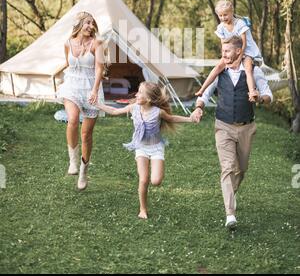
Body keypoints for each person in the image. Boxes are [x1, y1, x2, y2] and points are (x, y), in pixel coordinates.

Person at [191, 35, 272, 229]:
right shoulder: (219, 71)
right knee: (227, 167)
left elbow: (269, 95)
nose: (223, 54)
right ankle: (230, 214)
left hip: (246, 127)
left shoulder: (254, 71)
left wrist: (259, 98)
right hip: (223, 126)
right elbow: (206, 93)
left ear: (238, 51)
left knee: (241, 169)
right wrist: (199, 107)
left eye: (227, 51)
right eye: (222, 51)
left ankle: (230, 194)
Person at [94, 81, 200, 219]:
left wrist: (190, 119)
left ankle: (152, 183)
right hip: (141, 147)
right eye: (137, 91)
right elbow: (114, 111)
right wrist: (97, 104)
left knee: (156, 181)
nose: (136, 94)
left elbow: (172, 118)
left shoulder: (158, 112)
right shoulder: (133, 108)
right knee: (143, 180)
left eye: (140, 93)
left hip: (156, 148)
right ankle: (142, 209)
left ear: (149, 99)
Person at [57, 12, 105, 190]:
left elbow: (100, 68)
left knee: (86, 134)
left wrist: (94, 89)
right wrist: (60, 81)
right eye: (87, 23)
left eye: (93, 23)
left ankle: (84, 171)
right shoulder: (67, 43)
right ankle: (73, 161)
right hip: (72, 85)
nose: (91, 26)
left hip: (91, 87)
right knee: (73, 119)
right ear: (78, 24)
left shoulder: (97, 43)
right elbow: (69, 65)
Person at [195, 0, 263, 102]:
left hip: (246, 50)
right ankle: (202, 90)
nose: (223, 18)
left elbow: (244, 43)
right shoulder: (221, 27)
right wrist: (225, 56)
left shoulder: (239, 23)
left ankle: (252, 92)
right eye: (220, 16)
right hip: (232, 51)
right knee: (218, 67)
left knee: (248, 68)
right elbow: (223, 44)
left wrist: (239, 59)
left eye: (225, 15)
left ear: (232, 12)